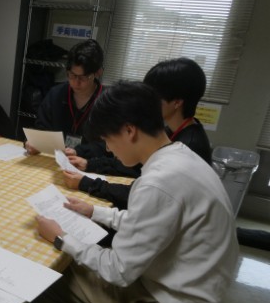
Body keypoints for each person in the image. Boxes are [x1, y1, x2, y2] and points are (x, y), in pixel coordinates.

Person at [36, 81, 238, 303]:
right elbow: (147, 222)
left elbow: (118, 270)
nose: (108, 149)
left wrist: (61, 238)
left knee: (51, 275)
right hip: (192, 287)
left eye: (108, 140)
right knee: (80, 258)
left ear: (129, 130)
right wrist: (94, 212)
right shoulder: (181, 155)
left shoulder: (158, 182)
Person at [64, 57, 213, 209]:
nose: (146, 102)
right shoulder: (171, 130)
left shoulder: (191, 146)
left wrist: (88, 184)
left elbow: (143, 195)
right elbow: (134, 163)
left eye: (153, 97)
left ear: (177, 102)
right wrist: (90, 164)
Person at [25, 39, 139, 178]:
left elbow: (113, 144)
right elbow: (41, 128)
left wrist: (80, 151)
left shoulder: (108, 102)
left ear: (98, 73)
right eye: (72, 75)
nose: (76, 82)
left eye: (83, 77)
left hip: (91, 168)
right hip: (55, 165)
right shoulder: (56, 94)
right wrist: (35, 143)